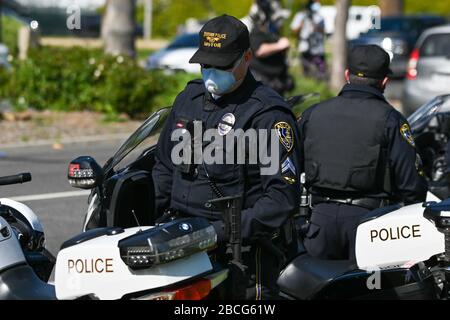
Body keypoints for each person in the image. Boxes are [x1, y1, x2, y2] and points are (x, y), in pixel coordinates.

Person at [152, 15, 301, 300]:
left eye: (221, 66)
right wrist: (156, 222)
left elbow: (280, 200)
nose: (211, 73)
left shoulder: (266, 115)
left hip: (240, 258)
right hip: (182, 247)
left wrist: (217, 232)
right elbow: (163, 167)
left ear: (247, 58)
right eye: (206, 65)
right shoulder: (189, 100)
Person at [298, 45, 428, 261]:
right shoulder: (392, 120)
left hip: (319, 222)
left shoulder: (312, 114)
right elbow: (411, 186)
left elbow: (288, 167)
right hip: (371, 225)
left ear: (347, 75)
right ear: (384, 81)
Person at [249, 0, 294, 96]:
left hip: (276, 81)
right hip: (264, 81)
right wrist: (280, 45)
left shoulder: (271, 31)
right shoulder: (257, 30)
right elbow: (259, 50)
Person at [290, 0, 327, 80]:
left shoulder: (320, 17)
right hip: (305, 47)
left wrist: (317, 27)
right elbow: (293, 30)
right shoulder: (301, 15)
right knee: (306, 70)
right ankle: (308, 81)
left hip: (318, 48)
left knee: (321, 71)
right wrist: (301, 25)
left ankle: (320, 83)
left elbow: (323, 31)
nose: (318, 3)